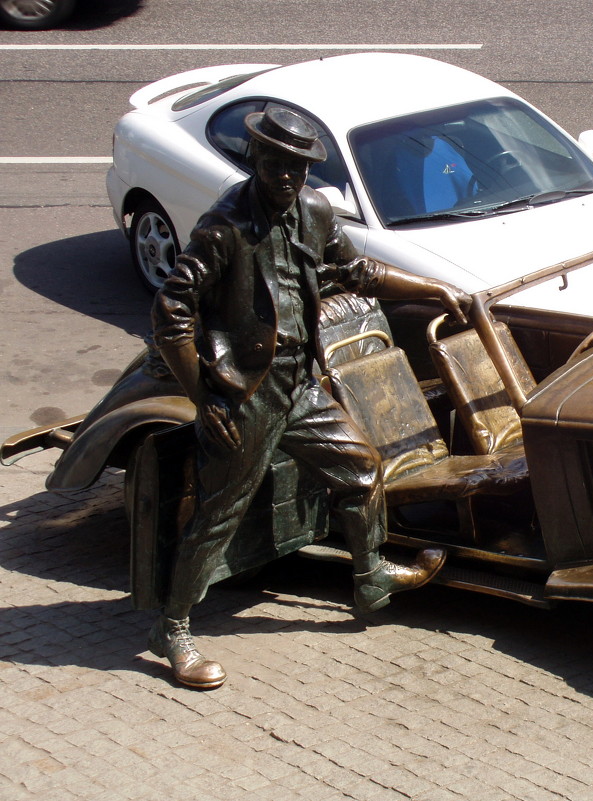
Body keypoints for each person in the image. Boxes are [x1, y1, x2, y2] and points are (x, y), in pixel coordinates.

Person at [149, 107, 471, 690]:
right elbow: (171, 314)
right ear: (256, 161)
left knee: (360, 467)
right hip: (246, 392)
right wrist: (206, 399)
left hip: (299, 383)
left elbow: (358, 272)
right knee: (220, 512)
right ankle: (172, 626)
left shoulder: (315, 211)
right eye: (276, 165)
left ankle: (369, 575)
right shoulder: (222, 230)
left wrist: (435, 288)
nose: (287, 177)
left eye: (298, 167)